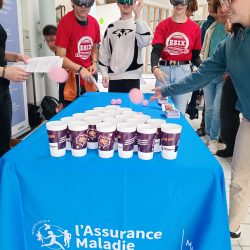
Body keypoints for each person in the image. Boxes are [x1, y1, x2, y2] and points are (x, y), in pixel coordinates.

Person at [151, 0, 250, 239]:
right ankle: (232, 227)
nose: (226, 6)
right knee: (240, 175)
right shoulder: (230, 43)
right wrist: (166, 90)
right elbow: (202, 75)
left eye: (231, 0)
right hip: (248, 118)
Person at [150, 0, 202, 115]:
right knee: (160, 111)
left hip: (183, 73)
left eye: (182, 2)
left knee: (179, 113)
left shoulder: (195, 28)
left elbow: (195, 56)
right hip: (164, 72)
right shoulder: (162, 26)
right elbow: (156, 51)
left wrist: (204, 68)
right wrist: (154, 67)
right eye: (176, 1)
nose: (179, 5)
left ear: (188, 3)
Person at [99, 0, 152, 93]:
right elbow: (104, 53)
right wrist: (104, 74)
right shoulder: (111, 27)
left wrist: (138, 15)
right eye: (123, 1)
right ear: (118, 3)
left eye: (129, 1)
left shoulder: (139, 24)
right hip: (114, 78)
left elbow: (145, 41)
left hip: (133, 77)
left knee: (131, 107)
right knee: (113, 107)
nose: (126, 4)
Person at [56, 0, 100, 107]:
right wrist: (80, 69)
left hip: (89, 79)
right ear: (72, 2)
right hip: (70, 83)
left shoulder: (94, 23)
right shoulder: (65, 23)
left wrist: (94, 62)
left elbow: (94, 47)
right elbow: (60, 58)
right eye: (79, 1)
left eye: (88, 2)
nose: (83, 6)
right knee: (70, 119)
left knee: (92, 115)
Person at [0, 0, 30, 157]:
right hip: (3, 77)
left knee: (4, 140)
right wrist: (4, 71)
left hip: (3, 89)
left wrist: (15, 56)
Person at [199, 0, 228, 154]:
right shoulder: (210, 27)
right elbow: (205, 50)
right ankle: (209, 136)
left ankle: (214, 139)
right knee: (208, 108)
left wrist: (229, 70)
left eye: (224, 6)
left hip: (224, 75)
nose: (221, 10)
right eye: (218, 7)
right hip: (209, 73)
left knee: (217, 109)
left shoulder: (233, 29)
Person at [196, 0, 217, 137]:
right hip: (208, 69)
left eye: (213, 5)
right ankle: (206, 129)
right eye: (208, 5)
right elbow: (201, 48)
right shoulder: (207, 25)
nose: (210, 8)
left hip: (224, 72)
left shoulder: (229, 24)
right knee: (208, 106)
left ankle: (217, 134)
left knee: (218, 106)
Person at [216, 76, 239, 157]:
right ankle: (231, 148)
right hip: (233, 77)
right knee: (227, 114)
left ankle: (231, 148)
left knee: (228, 113)